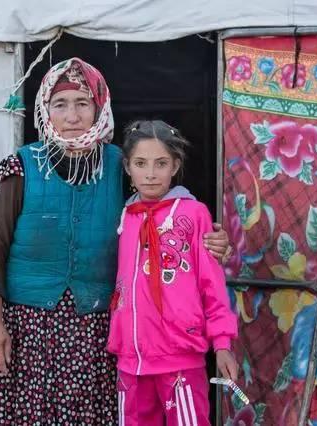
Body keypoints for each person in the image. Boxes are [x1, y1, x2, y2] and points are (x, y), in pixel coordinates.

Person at [0, 58, 231, 425]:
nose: (72, 116)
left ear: (98, 107)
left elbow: (161, 205)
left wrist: (208, 238)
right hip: (27, 329)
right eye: (60, 104)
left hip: (95, 330)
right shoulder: (22, 167)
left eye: (82, 103)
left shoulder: (118, 165)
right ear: (45, 109)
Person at [107, 120, 238, 426]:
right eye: (141, 163)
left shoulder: (193, 214)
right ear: (127, 167)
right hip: (131, 361)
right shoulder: (125, 217)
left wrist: (222, 344)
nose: (150, 173)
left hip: (179, 356)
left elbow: (212, 285)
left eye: (161, 163)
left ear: (175, 166)